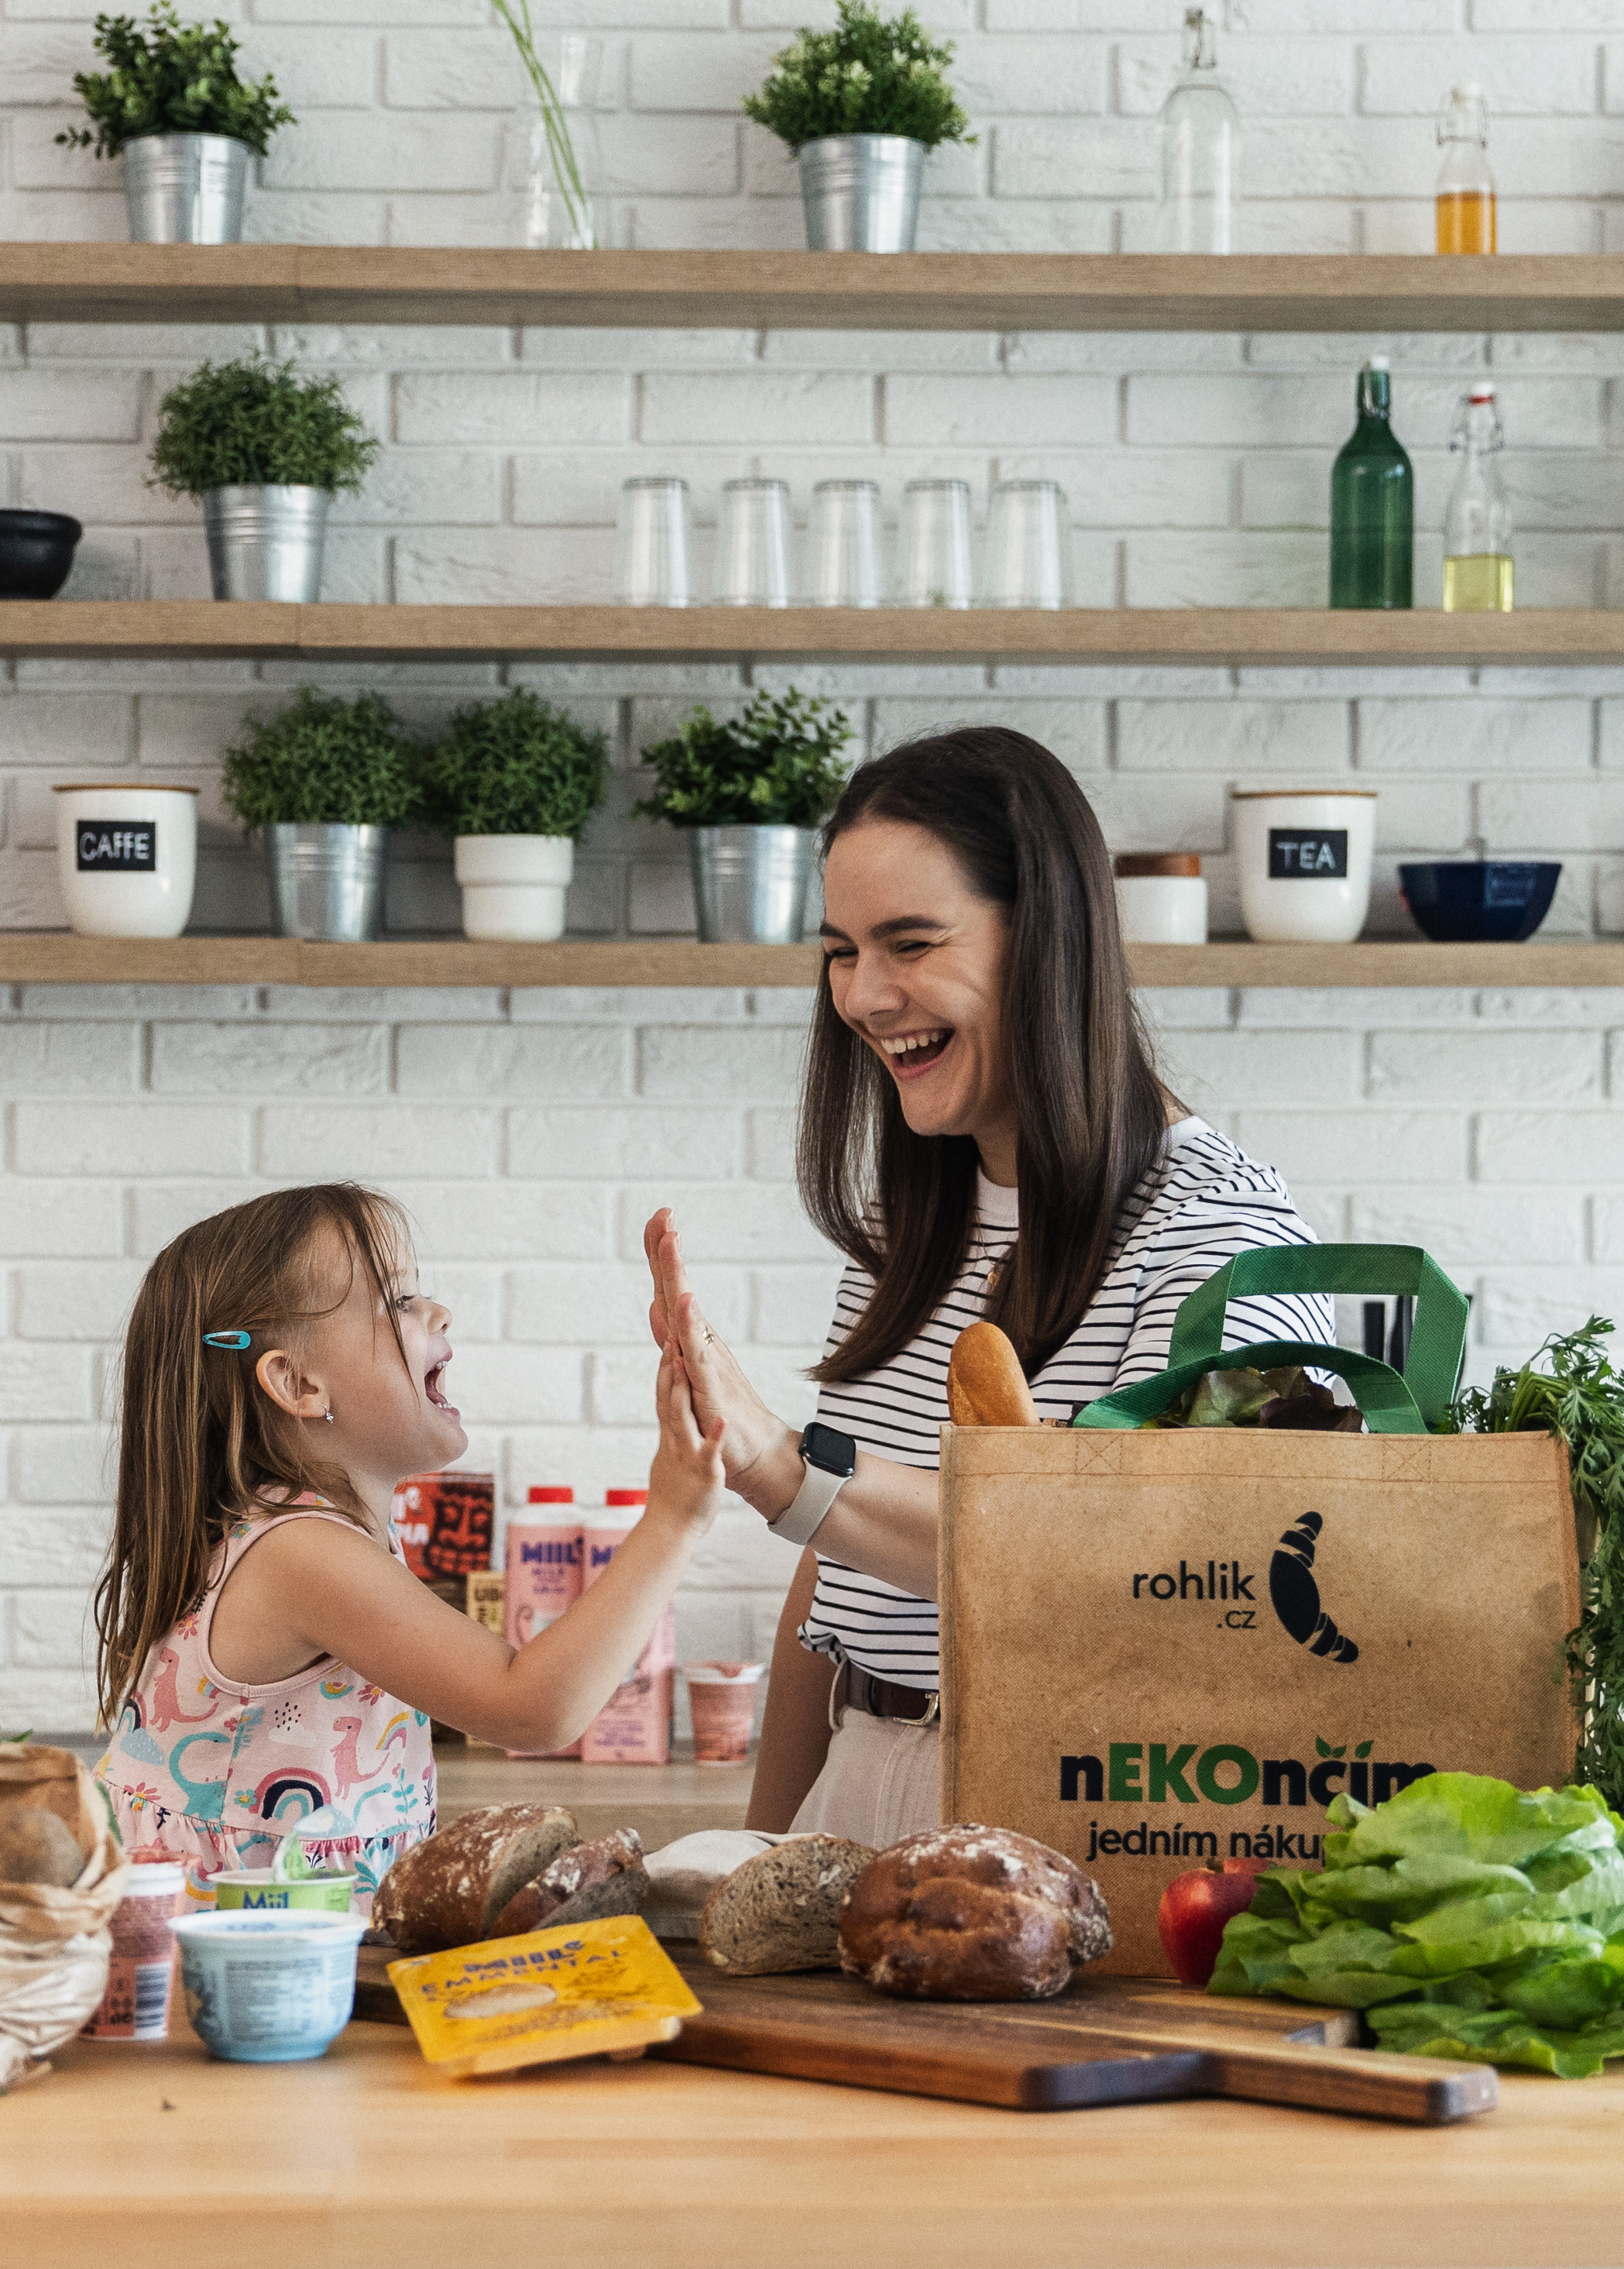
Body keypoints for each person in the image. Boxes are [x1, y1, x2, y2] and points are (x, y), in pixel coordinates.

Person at [644, 725, 1322, 1847]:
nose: (862, 996)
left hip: (1080, 1820)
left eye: (910, 943)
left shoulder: (1224, 1242)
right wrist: (761, 1855)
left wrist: (785, 1470)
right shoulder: (910, 1228)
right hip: (855, 1789)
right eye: (842, 950)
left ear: (1046, 940)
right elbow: (837, 1593)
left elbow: (1184, 1572)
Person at [94, 1181, 726, 1893]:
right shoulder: (303, 1553)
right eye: (398, 1300)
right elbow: (534, 1708)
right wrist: (674, 1519)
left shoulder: (293, 1535)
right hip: (232, 1947)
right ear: (300, 1384)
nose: (438, 1310)